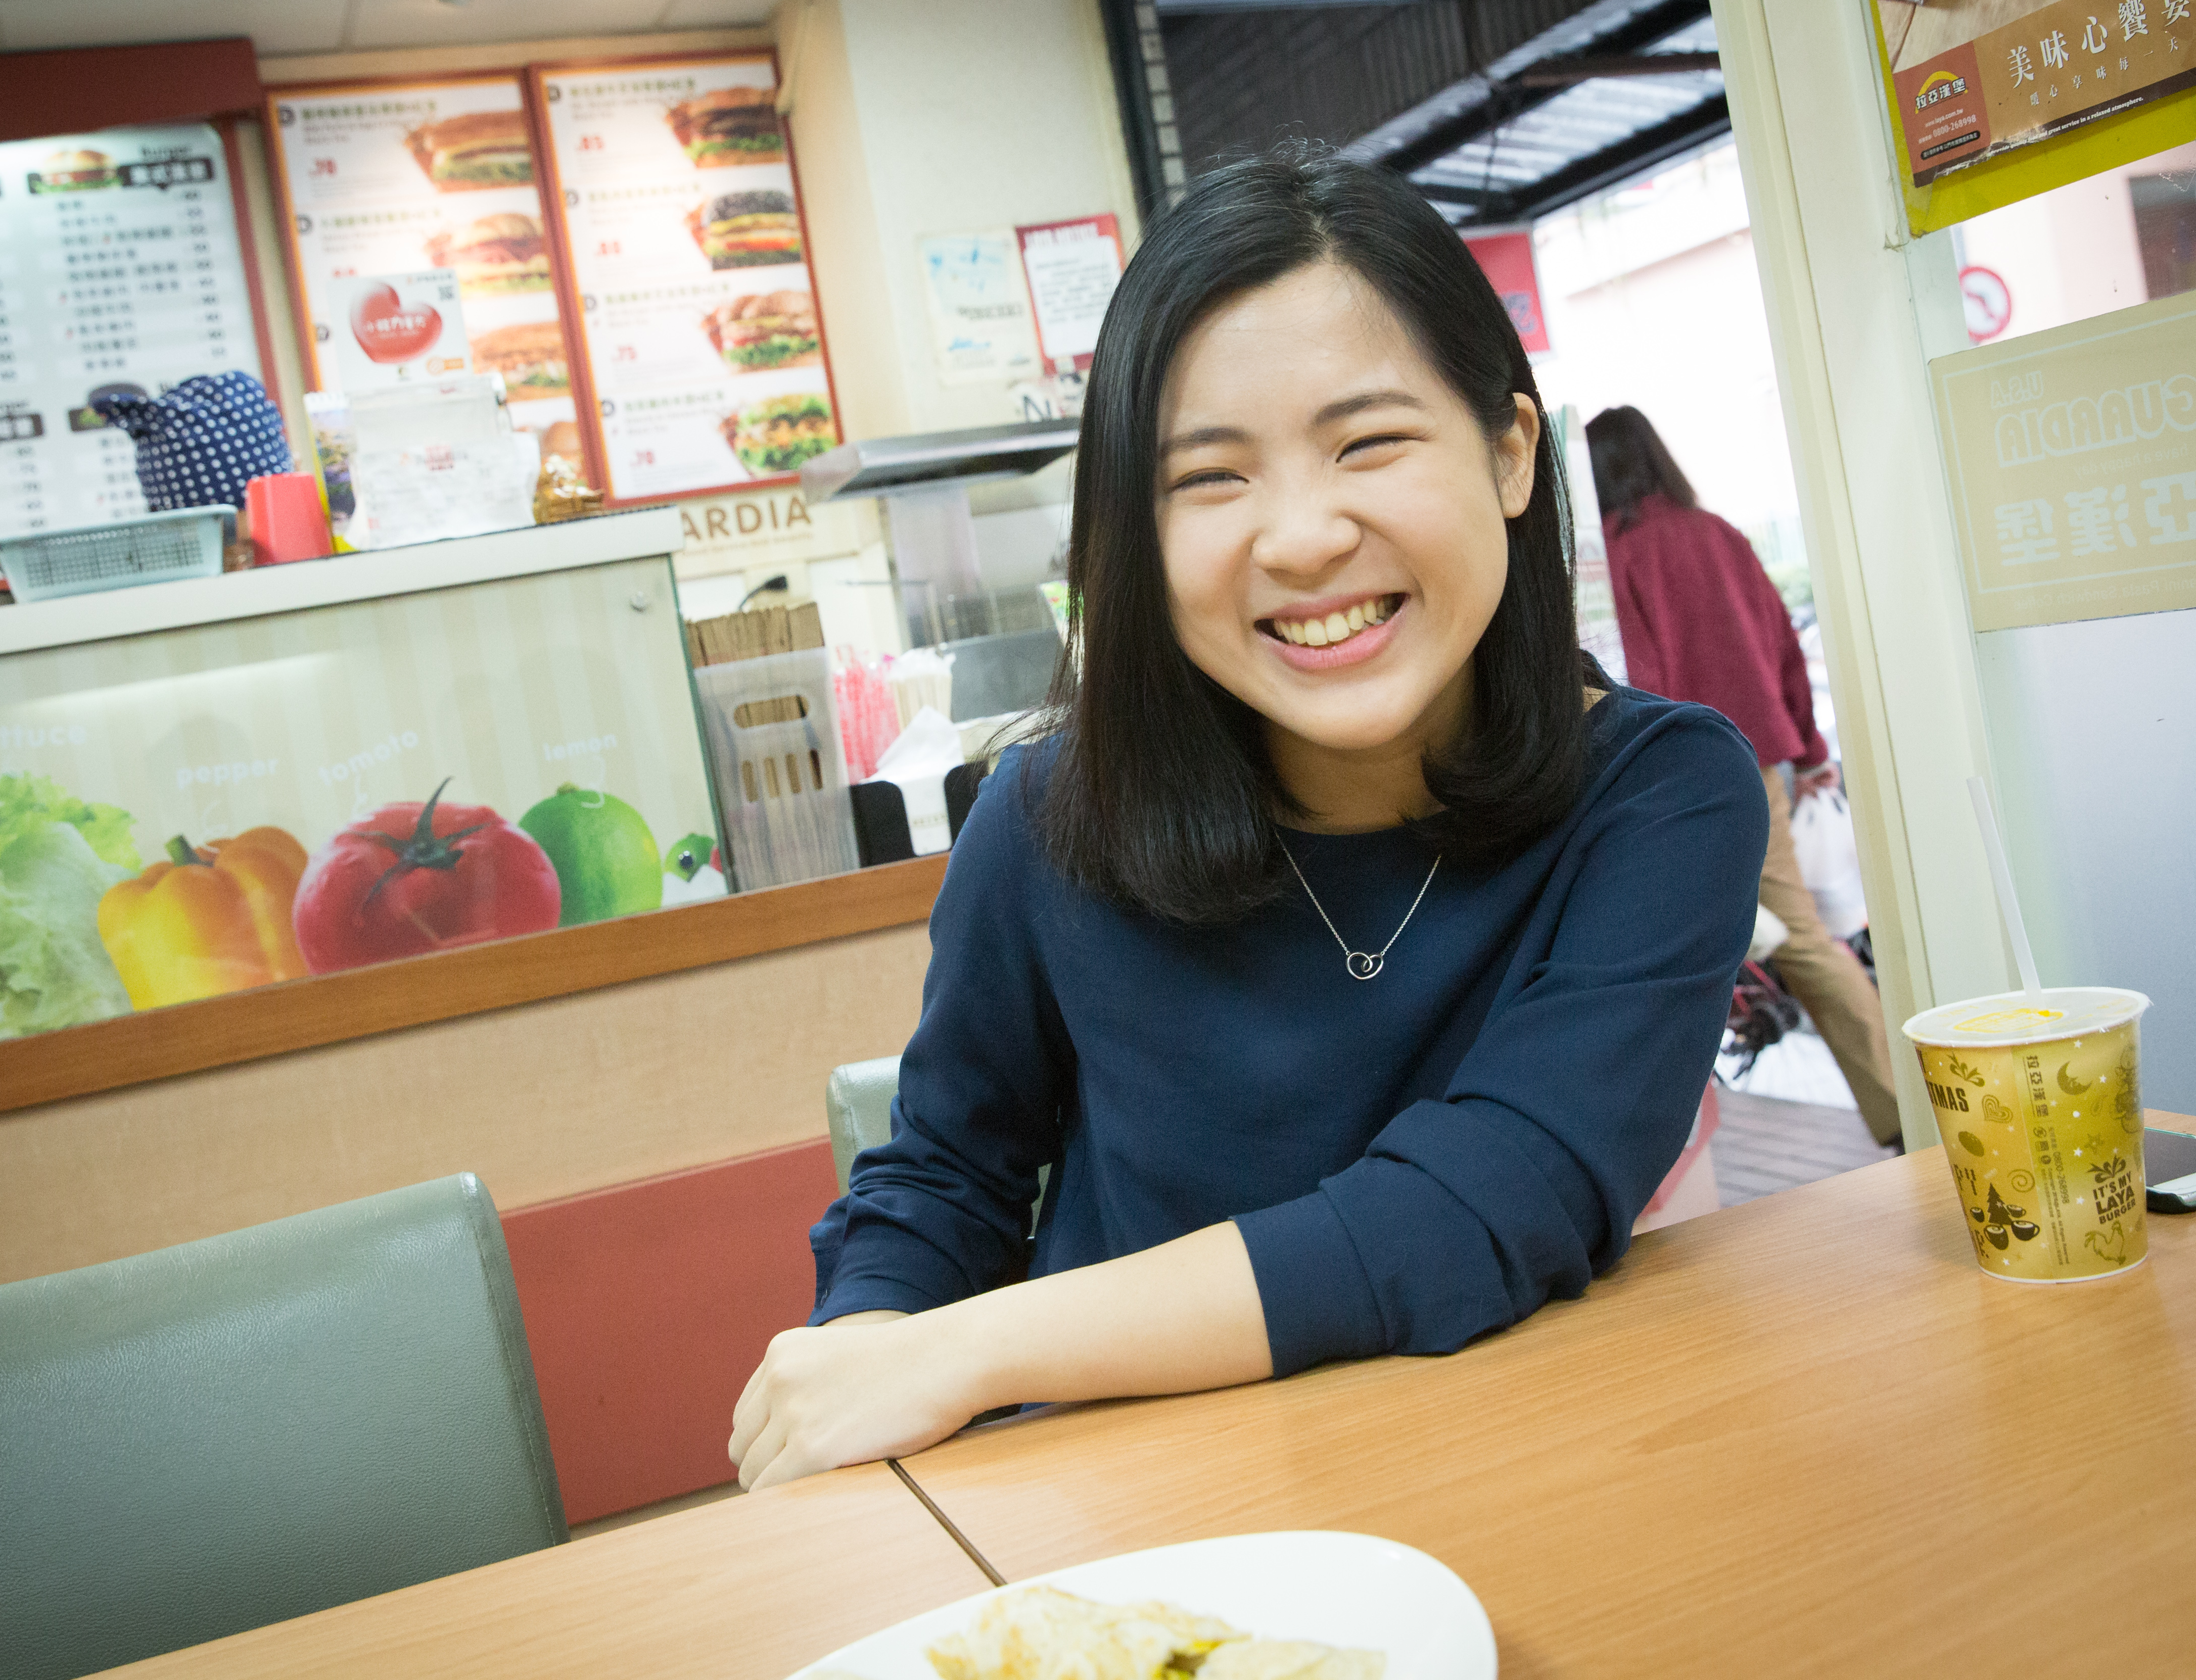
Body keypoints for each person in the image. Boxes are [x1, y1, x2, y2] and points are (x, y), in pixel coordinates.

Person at [727, 155, 1767, 1491]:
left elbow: (1487, 1204)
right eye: (1208, 478)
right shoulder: (1045, 820)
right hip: (1144, 1533)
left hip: (1537, 1481)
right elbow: (943, 1177)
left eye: (1369, 441)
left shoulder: (1657, 796)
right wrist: (867, 1348)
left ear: (1509, 452)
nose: (1299, 537)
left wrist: (966, 1352)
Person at [1582, 405, 1900, 1147]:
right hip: (1756, 760)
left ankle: (1904, 1101)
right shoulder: (1718, 534)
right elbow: (1782, 645)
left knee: (1783, 939)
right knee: (1798, 934)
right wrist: (1813, 749)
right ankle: (1903, 1102)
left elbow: (1640, 678)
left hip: (1676, 770)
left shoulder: (1620, 558)